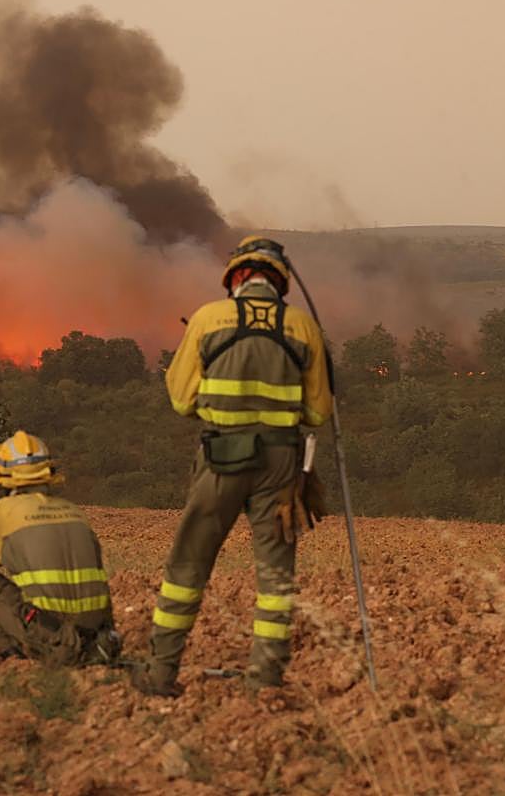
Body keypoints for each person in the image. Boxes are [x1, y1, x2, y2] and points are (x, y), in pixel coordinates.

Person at [132, 236, 332, 697]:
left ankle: (161, 674)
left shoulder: (207, 319)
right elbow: (319, 413)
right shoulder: (304, 327)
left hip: (220, 461)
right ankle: (265, 680)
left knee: (188, 565)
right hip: (281, 470)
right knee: (275, 575)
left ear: (236, 278)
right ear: (279, 282)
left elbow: (182, 400)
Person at [0, 430, 120, 666]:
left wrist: (8, 553)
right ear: (48, 470)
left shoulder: (4, 512)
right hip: (101, 645)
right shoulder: (76, 512)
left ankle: (6, 654)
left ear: (3, 472)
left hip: (56, 645)